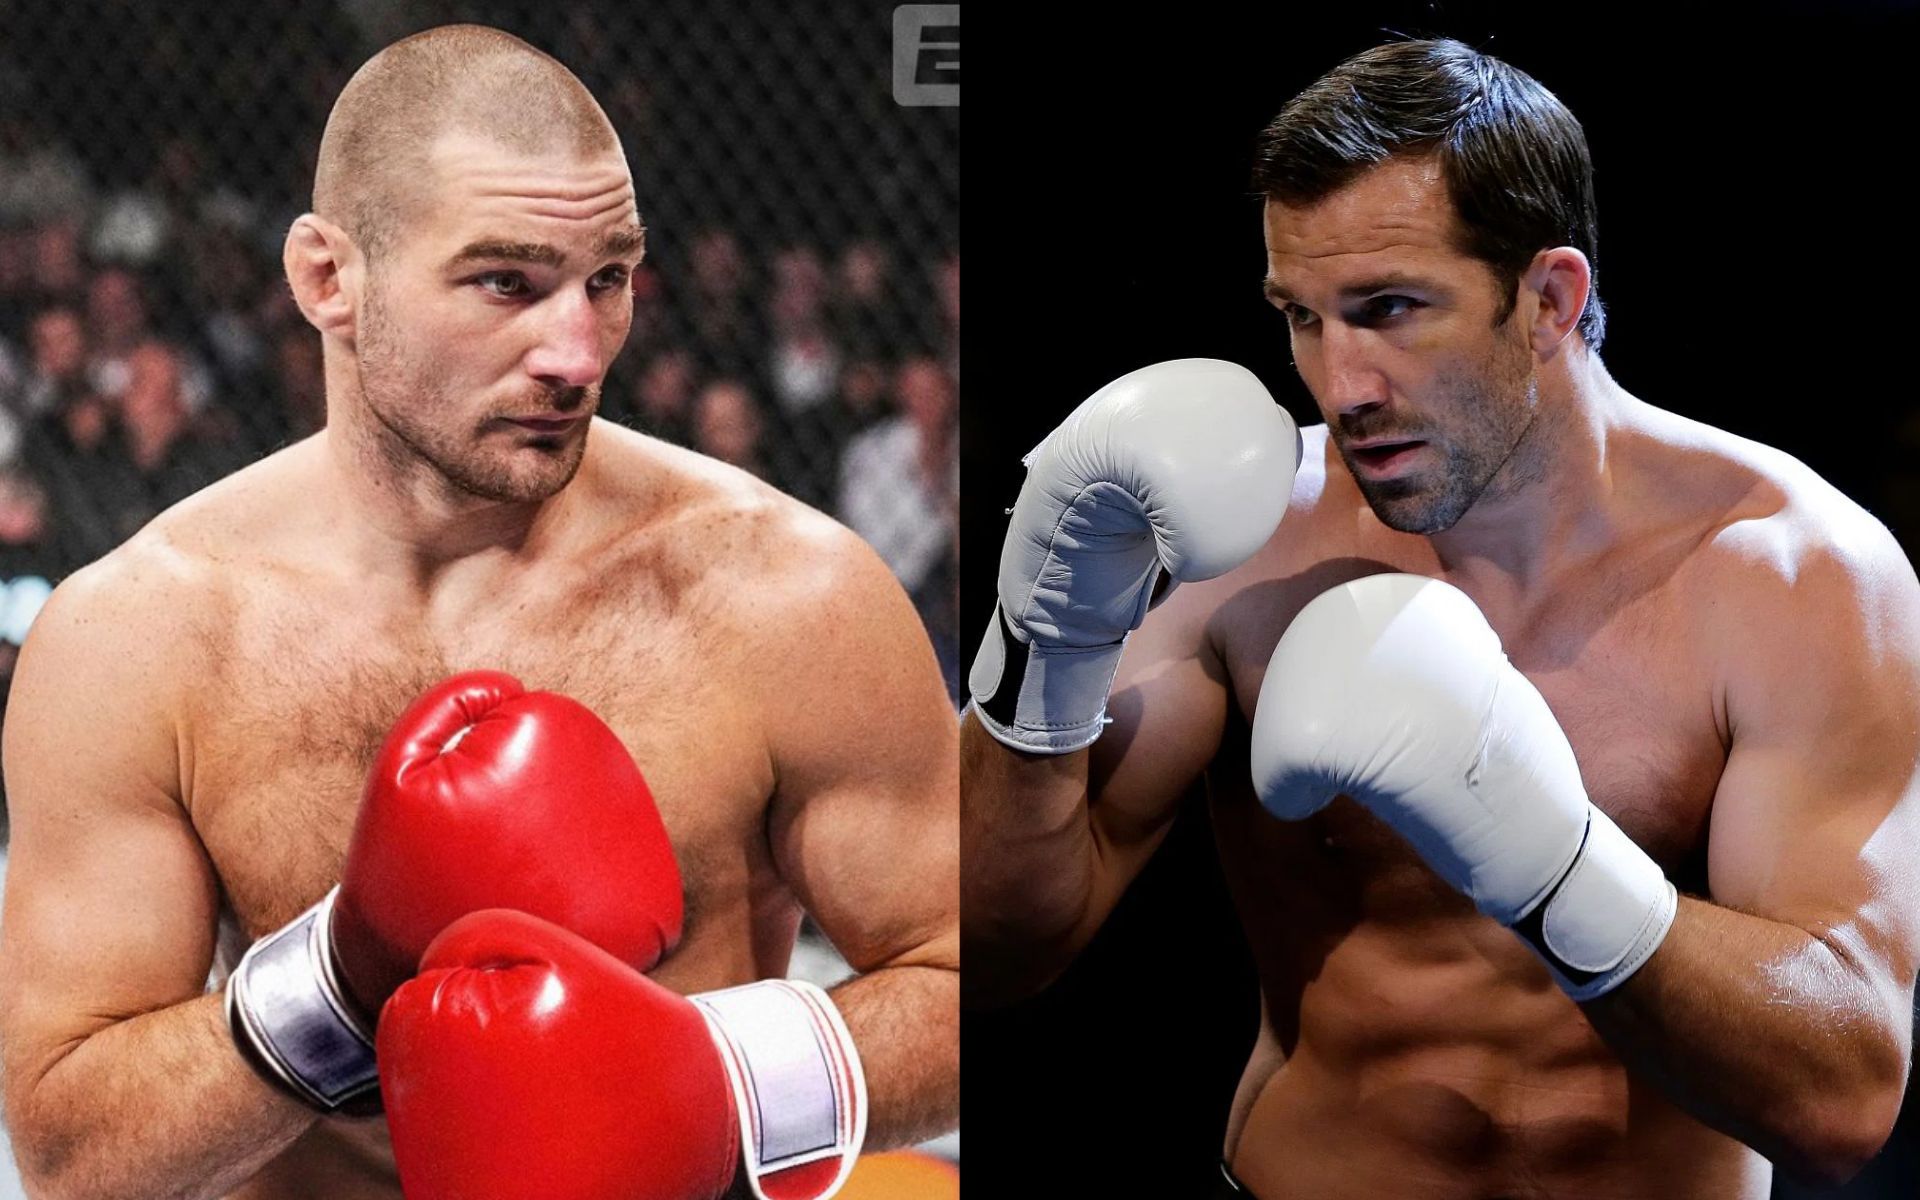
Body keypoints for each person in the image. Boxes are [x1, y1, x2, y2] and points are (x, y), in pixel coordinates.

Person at [0, 23, 957, 1200]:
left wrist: (715, 1082)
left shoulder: (783, 592)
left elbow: (969, 977)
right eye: (507, 280)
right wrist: (344, 980)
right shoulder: (138, 639)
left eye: (608, 280)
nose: (576, 350)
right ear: (326, 278)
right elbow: (70, 1155)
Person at [962, 37, 1920, 1199]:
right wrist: (1036, 649)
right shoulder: (1260, 545)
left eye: (1390, 310)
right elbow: (1004, 949)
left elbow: (1844, 1096)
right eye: (1303, 318)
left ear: (1551, 299)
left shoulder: (1793, 576)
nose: (1341, 384)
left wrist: (1553, 863)